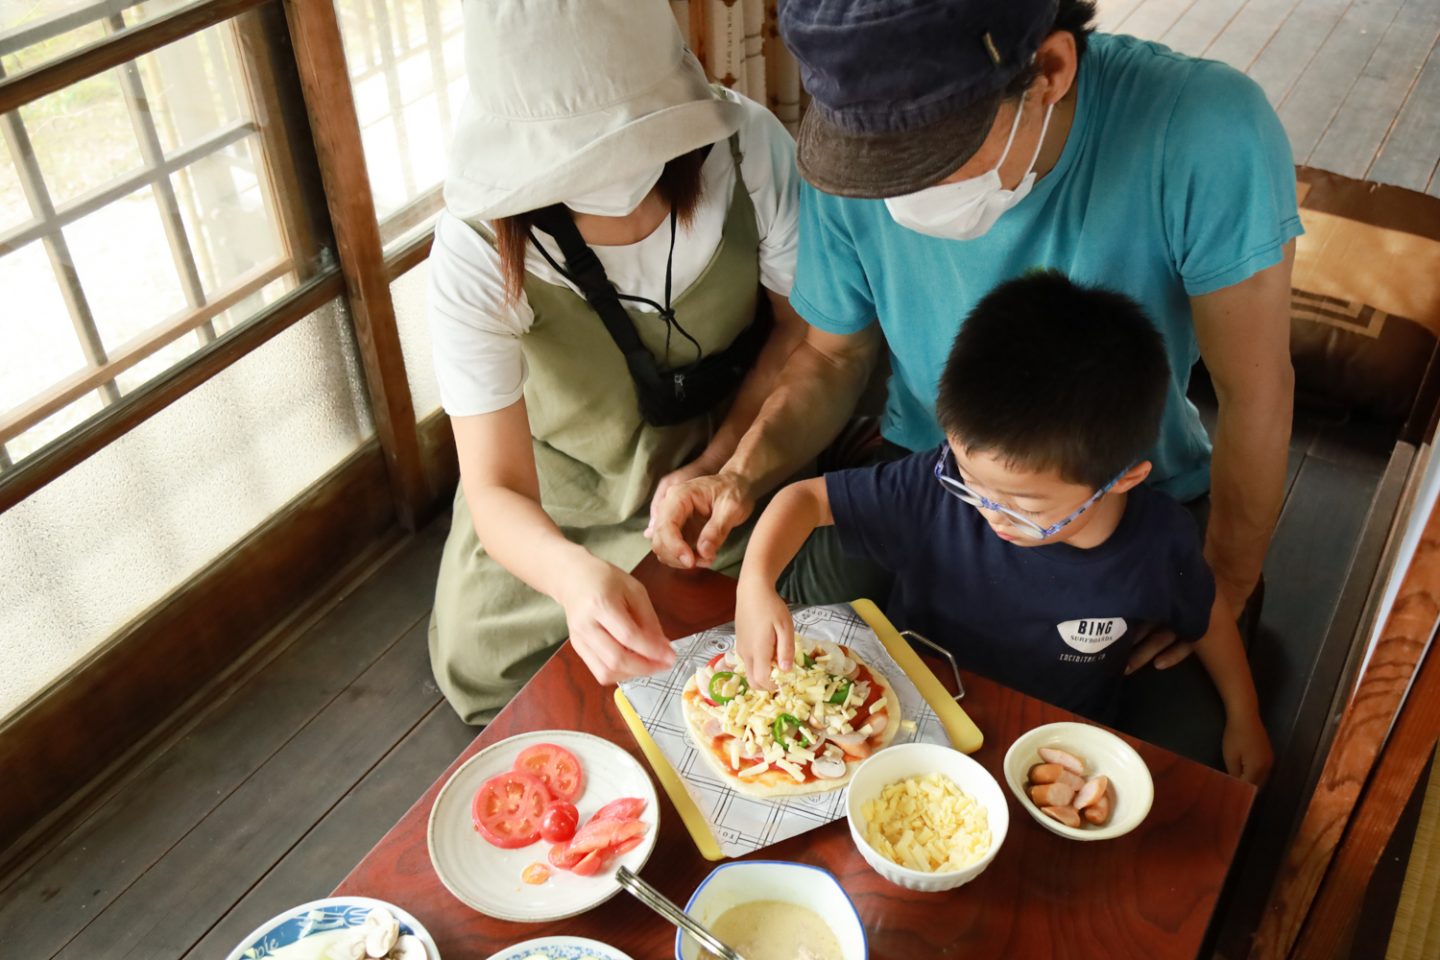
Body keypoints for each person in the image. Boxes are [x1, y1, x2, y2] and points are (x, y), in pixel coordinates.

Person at [647, 0, 1298, 761]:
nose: (893, 194)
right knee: (778, 688)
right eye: (872, 166)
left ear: (1049, 71)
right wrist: (739, 475)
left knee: (1173, 771)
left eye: (925, 158)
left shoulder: (1203, 130)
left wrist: (1224, 583)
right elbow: (829, 356)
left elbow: (1256, 392)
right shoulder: (848, 154)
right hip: (935, 478)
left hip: (1113, 497)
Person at [735, 272, 1273, 784]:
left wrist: (1244, 715)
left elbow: (1206, 616)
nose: (991, 512)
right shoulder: (937, 486)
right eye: (972, 480)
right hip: (908, 721)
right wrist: (755, 583)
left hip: (1050, 743)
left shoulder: (1157, 544)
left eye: (1025, 505)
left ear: (1122, 478)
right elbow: (805, 499)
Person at [427, 0, 807, 724]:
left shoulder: (748, 148)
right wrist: (573, 581)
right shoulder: (475, 249)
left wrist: (722, 467)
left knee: (812, 607)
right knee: (486, 665)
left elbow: (800, 338)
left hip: (726, 468)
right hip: (563, 503)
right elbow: (496, 485)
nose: (612, 176)